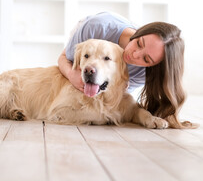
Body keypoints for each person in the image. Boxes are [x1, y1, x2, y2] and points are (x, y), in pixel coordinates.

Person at [58, 11, 194, 128]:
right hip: (95, 25)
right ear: (140, 31)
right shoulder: (96, 27)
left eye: (146, 59)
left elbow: (114, 98)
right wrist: (71, 74)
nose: (135, 54)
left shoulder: (144, 72)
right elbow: (64, 58)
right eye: (139, 43)